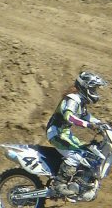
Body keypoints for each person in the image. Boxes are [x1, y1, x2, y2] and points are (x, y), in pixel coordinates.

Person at [45, 70, 107, 201]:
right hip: (56, 132)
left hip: (64, 133)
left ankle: (79, 183)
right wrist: (88, 125)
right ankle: (58, 184)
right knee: (76, 156)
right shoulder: (73, 99)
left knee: (87, 152)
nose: (95, 92)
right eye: (93, 89)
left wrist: (101, 123)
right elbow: (69, 117)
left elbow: (87, 116)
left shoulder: (81, 101)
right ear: (85, 87)